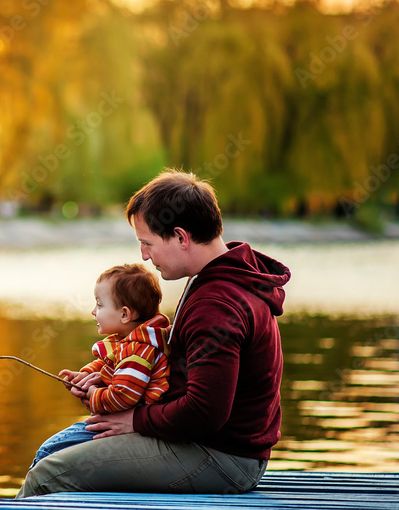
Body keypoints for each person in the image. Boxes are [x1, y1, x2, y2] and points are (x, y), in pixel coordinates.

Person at [17, 170, 290, 496]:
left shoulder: (218, 304)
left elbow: (206, 411)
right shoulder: (215, 277)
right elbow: (174, 367)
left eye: (147, 243)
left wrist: (135, 421)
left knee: (49, 475)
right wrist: (108, 380)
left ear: (180, 237)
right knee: (53, 451)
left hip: (222, 457)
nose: (144, 256)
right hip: (205, 442)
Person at [29, 264, 171, 468]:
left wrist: (93, 394)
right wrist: (83, 376)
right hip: (123, 422)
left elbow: (123, 395)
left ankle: (36, 496)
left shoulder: (139, 351)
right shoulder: (127, 341)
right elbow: (107, 364)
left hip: (131, 428)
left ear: (124, 314)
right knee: (52, 448)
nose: (93, 311)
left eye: (99, 305)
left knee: (49, 450)